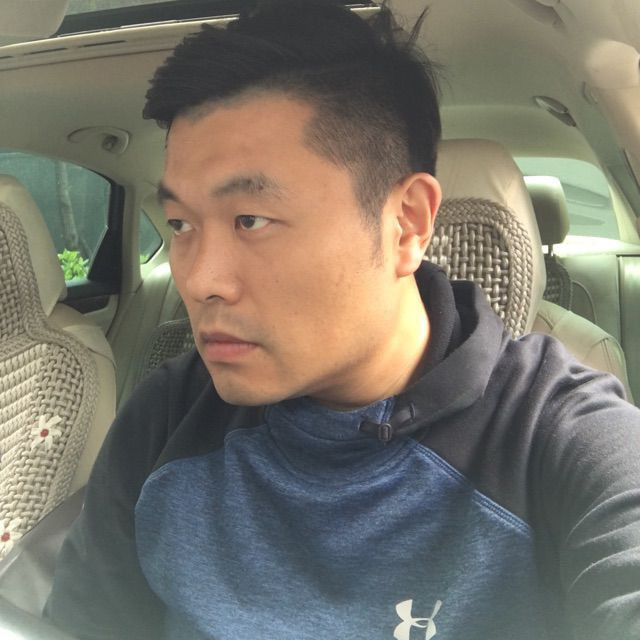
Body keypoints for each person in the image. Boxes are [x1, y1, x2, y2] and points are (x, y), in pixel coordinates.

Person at [45, 1, 640, 638]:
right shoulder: (166, 417)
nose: (198, 281)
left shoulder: (562, 438)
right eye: (181, 225)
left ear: (406, 223)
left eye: (251, 220)